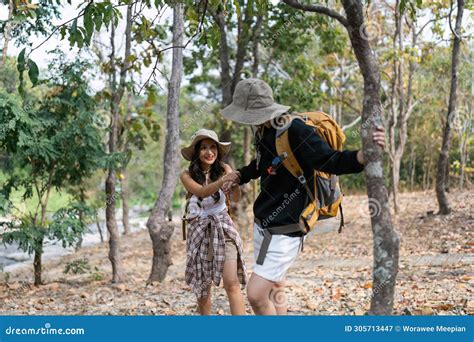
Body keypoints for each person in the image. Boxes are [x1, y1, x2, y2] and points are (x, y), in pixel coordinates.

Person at [220, 78, 386, 315]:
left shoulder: (295, 130)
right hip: (263, 224)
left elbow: (329, 160)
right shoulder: (263, 130)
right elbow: (261, 164)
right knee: (276, 285)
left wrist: (362, 155)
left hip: (288, 227)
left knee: (256, 295)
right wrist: (240, 175)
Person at [180, 129, 247, 315]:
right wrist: (224, 179)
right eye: (203, 148)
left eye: (212, 147)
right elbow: (201, 192)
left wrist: (233, 182)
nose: (209, 152)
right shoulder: (186, 175)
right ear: (196, 152)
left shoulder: (224, 168)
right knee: (203, 289)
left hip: (223, 228)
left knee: (231, 282)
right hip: (199, 231)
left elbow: (235, 197)